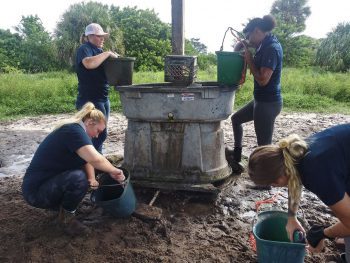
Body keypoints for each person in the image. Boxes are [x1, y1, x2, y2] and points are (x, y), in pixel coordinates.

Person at [247, 123, 350, 261]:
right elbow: (293, 179)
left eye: (272, 184)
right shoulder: (295, 151)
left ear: (277, 180)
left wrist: (322, 234)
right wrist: (291, 217)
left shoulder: (317, 174)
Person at [22, 102, 125, 236]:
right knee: (78, 178)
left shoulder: (78, 132)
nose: (97, 135)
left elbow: (88, 160)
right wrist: (114, 171)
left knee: (99, 168)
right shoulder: (73, 131)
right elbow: (95, 159)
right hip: (36, 192)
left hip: (49, 183)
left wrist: (92, 178)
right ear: (89, 122)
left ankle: (64, 207)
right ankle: (67, 220)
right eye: (98, 131)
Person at [226, 15, 283, 172]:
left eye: (249, 35)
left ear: (257, 31)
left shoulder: (271, 48)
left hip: (268, 103)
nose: (249, 39)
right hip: (260, 100)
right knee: (236, 119)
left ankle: (267, 180)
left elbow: (263, 80)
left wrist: (249, 59)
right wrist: (242, 44)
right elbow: (236, 51)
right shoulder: (262, 45)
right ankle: (236, 154)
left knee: (264, 145)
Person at [75, 23, 119, 153]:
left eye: (103, 36)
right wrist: (107, 53)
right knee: (95, 133)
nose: (102, 39)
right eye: (100, 36)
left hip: (103, 98)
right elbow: (88, 63)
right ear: (90, 36)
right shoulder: (85, 49)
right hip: (90, 100)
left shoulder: (99, 52)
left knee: (99, 133)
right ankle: (92, 162)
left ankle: (96, 161)